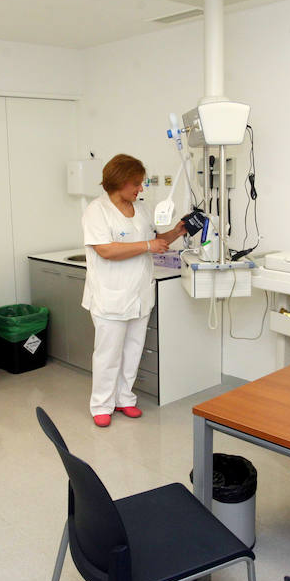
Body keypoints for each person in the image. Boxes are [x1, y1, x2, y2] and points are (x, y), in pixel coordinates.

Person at [81, 154, 186, 427]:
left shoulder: (140, 209)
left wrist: (176, 232)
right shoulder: (97, 210)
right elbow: (105, 250)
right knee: (108, 353)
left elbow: (153, 241)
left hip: (139, 294)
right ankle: (101, 405)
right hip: (110, 295)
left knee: (133, 349)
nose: (141, 189)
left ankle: (124, 399)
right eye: (136, 184)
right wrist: (148, 246)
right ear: (120, 182)